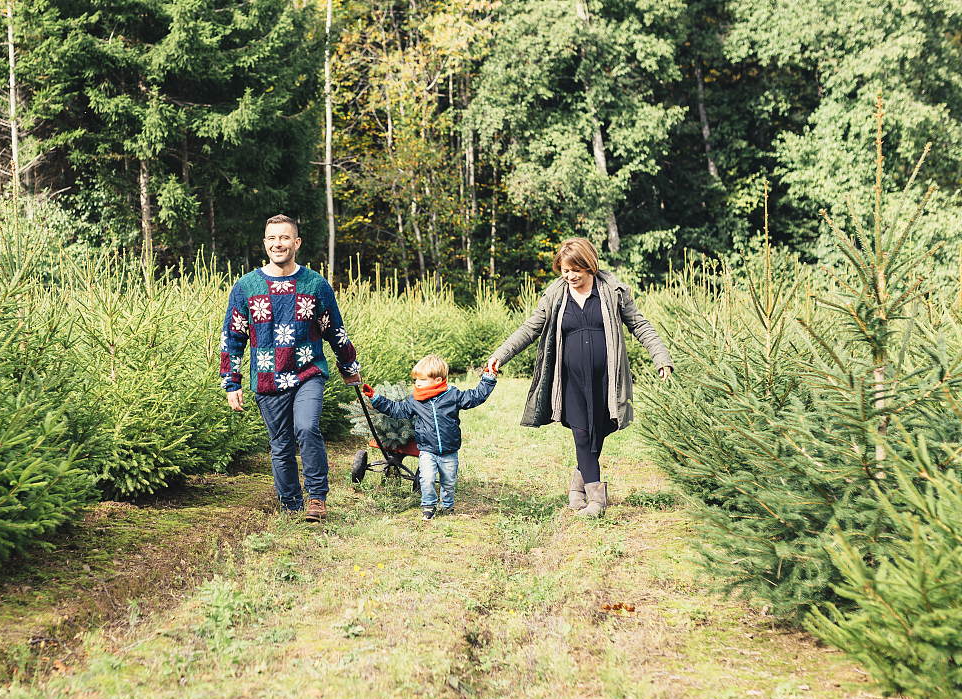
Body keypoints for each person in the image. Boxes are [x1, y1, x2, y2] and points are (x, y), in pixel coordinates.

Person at [485, 238, 672, 517]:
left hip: (606, 379)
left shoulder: (612, 290)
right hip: (570, 380)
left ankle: (577, 487)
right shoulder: (555, 295)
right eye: (564, 270)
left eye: (576, 271)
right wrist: (500, 354)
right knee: (582, 433)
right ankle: (597, 501)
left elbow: (639, 324)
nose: (570, 276)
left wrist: (661, 357)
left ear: (590, 267)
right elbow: (530, 328)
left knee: (600, 430)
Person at [221, 214, 362, 523]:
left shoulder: (315, 284)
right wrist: (231, 382)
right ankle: (290, 504)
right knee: (281, 444)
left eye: (284, 238)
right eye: (272, 238)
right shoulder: (247, 286)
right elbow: (233, 336)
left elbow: (333, 328)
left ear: (296, 243)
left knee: (307, 427)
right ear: (265, 243)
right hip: (267, 376)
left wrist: (348, 363)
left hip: (307, 372)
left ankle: (316, 498)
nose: (278, 244)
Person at [363, 354, 497, 520]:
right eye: (416, 379)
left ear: (438, 379)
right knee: (426, 478)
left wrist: (489, 378)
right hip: (427, 449)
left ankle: (447, 506)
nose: (417, 383)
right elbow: (397, 410)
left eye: (422, 379)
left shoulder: (452, 395)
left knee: (448, 482)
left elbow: (475, 397)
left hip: (449, 450)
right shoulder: (416, 400)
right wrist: (376, 398)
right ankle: (428, 506)